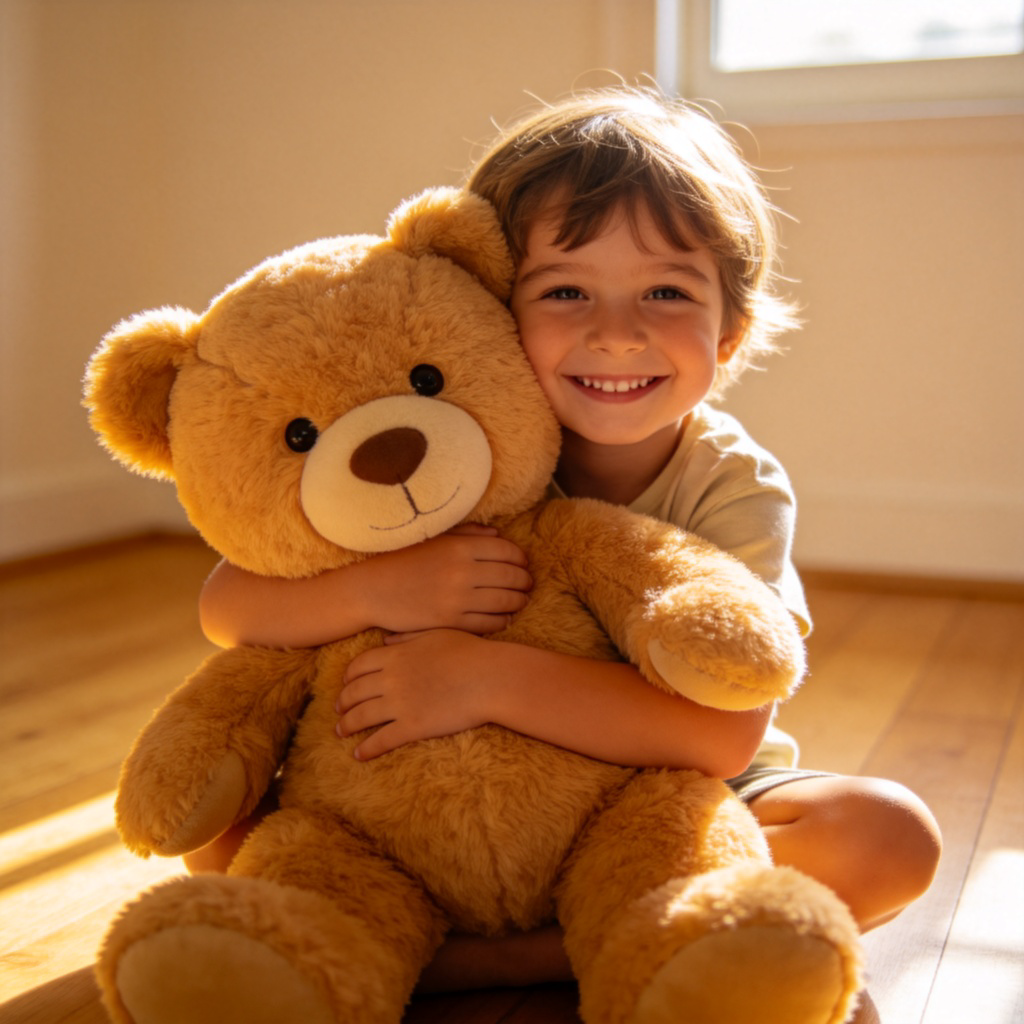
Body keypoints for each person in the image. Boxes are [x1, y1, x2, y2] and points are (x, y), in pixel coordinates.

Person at [192, 87, 942, 992]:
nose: (615, 333)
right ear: (489, 311)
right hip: (424, 813)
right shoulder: (436, 445)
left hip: (658, 809)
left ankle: (492, 960)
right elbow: (227, 608)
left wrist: (482, 680)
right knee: (218, 829)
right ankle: (551, 941)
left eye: (666, 291)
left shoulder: (733, 485)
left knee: (887, 836)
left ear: (730, 335)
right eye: (565, 291)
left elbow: (723, 741)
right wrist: (374, 593)